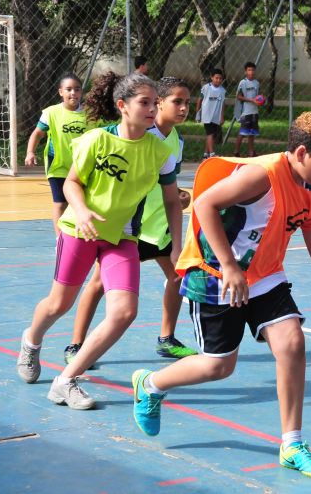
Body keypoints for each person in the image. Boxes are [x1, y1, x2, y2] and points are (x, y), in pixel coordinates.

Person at [128, 112, 311, 479]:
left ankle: (292, 444)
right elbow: (204, 204)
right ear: (301, 153)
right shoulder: (262, 175)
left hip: (266, 276)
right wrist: (230, 266)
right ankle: (150, 385)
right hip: (216, 274)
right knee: (218, 366)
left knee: (292, 344)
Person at [15, 72, 183, 410]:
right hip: (80, 230)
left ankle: (66, 381)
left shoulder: (159, 152)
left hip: (122, 237)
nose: (152, 109)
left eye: (154, 103)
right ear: (123, 106)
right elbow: (71, 184)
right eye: (144, 102)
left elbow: (170, 200)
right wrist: (82, 212)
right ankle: (32, 340)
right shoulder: (97, 139)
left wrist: (177, 245)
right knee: (59, 304)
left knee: (124, 312)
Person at [62, 76, 197, 365]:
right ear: (158, 104)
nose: (184, 108)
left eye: (187, 103)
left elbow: (166, 188)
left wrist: (179, 199)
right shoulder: (141, 136)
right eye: (177, 102)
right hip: (133, 228)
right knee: (98, 284)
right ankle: (76, 343)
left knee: (176, 276)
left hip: (159, 227)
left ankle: (166, 338)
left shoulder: (175, 140)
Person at [26, 73, 96, 235]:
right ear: (60, 92)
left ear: (81, 92)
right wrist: (30, 152)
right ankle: (60, 240)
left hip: (82, 166)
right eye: (69, 89)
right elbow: (37, 133)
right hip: (58, 165)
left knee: (81, 202)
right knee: (60, 203)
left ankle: (79, 233)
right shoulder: (51, 112)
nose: (73, 93)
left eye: (77, 89)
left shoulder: (90, 114)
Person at [196, 68, 226, 159]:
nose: (218, 80)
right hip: (207, 115)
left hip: (216, 116)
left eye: (220, 78)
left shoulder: (222, 91)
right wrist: (198, 112)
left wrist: (222, 116)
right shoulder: (206, 88)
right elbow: (199, 99)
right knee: (210, 134)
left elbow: (223, 104)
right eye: (216, 78)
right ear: (212, 78)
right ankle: (212, 153)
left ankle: (206, 154)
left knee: (211, 135)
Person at [233, 61, 260, 157]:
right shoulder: (243, 83)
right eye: (249, 70)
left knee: (252, 133)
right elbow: (239, 96)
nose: (251, 72)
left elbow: (257, 97)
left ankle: (251, 152)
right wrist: (251, 100)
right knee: (243, 132)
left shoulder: (257, 83)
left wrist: (260, 100)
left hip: (254, 112)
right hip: (246, 112)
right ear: (245, 72)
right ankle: (236, 151)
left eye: (252, 70)